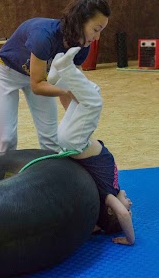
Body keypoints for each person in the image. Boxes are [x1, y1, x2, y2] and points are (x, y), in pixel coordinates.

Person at [0, 0, 111, 152]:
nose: (97, 37)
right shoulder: (44, 36)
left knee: (51, 138)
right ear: (80, 22)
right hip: (7, 73)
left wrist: (77, 123)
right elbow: (38, 86)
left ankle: (53, 176)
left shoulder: (81, 47)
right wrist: (67, 92)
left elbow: (69, 87)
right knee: (7, 138)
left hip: (42, 79)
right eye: (96, 29)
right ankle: (7, 175)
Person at [48, 45, 135, 245]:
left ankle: (65, 69)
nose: (129, 205)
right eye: (129, 208)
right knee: (89, 94)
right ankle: (58, 76)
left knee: (94, 101)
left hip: (74, 142)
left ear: (111, 210)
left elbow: (121, 215)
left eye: (128, 208)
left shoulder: (108, 196)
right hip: (71, 139)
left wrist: (130, 239)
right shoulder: (112, 187)